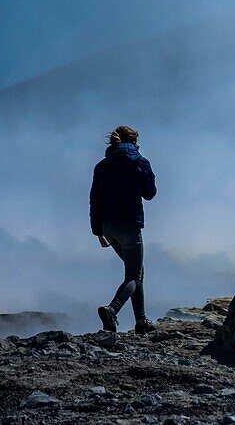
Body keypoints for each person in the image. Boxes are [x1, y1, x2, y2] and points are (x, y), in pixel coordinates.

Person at [89, 125, 157, 334]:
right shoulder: (139, 162)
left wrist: (97, 231)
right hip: (129, 224)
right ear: (134, 142)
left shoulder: (101, 166)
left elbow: (95, 200)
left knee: (135, 273)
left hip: (108, 226)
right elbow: (150, 193)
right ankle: (112, 309)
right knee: (134, 275)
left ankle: (141, 322)